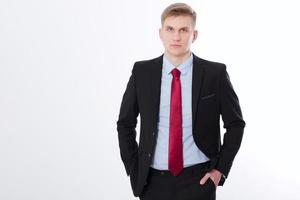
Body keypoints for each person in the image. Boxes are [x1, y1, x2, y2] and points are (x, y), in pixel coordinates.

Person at [116, 3, 245, 200]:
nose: (176, 37)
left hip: (198, 180)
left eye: (184, 30)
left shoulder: (215, 74)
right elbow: (125, 123)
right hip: (152, 182)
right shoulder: (142, 72)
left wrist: (220, 169)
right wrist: (134, 168)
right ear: (161, 33)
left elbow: (235, 125)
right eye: (170, 29)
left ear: (194, 35)